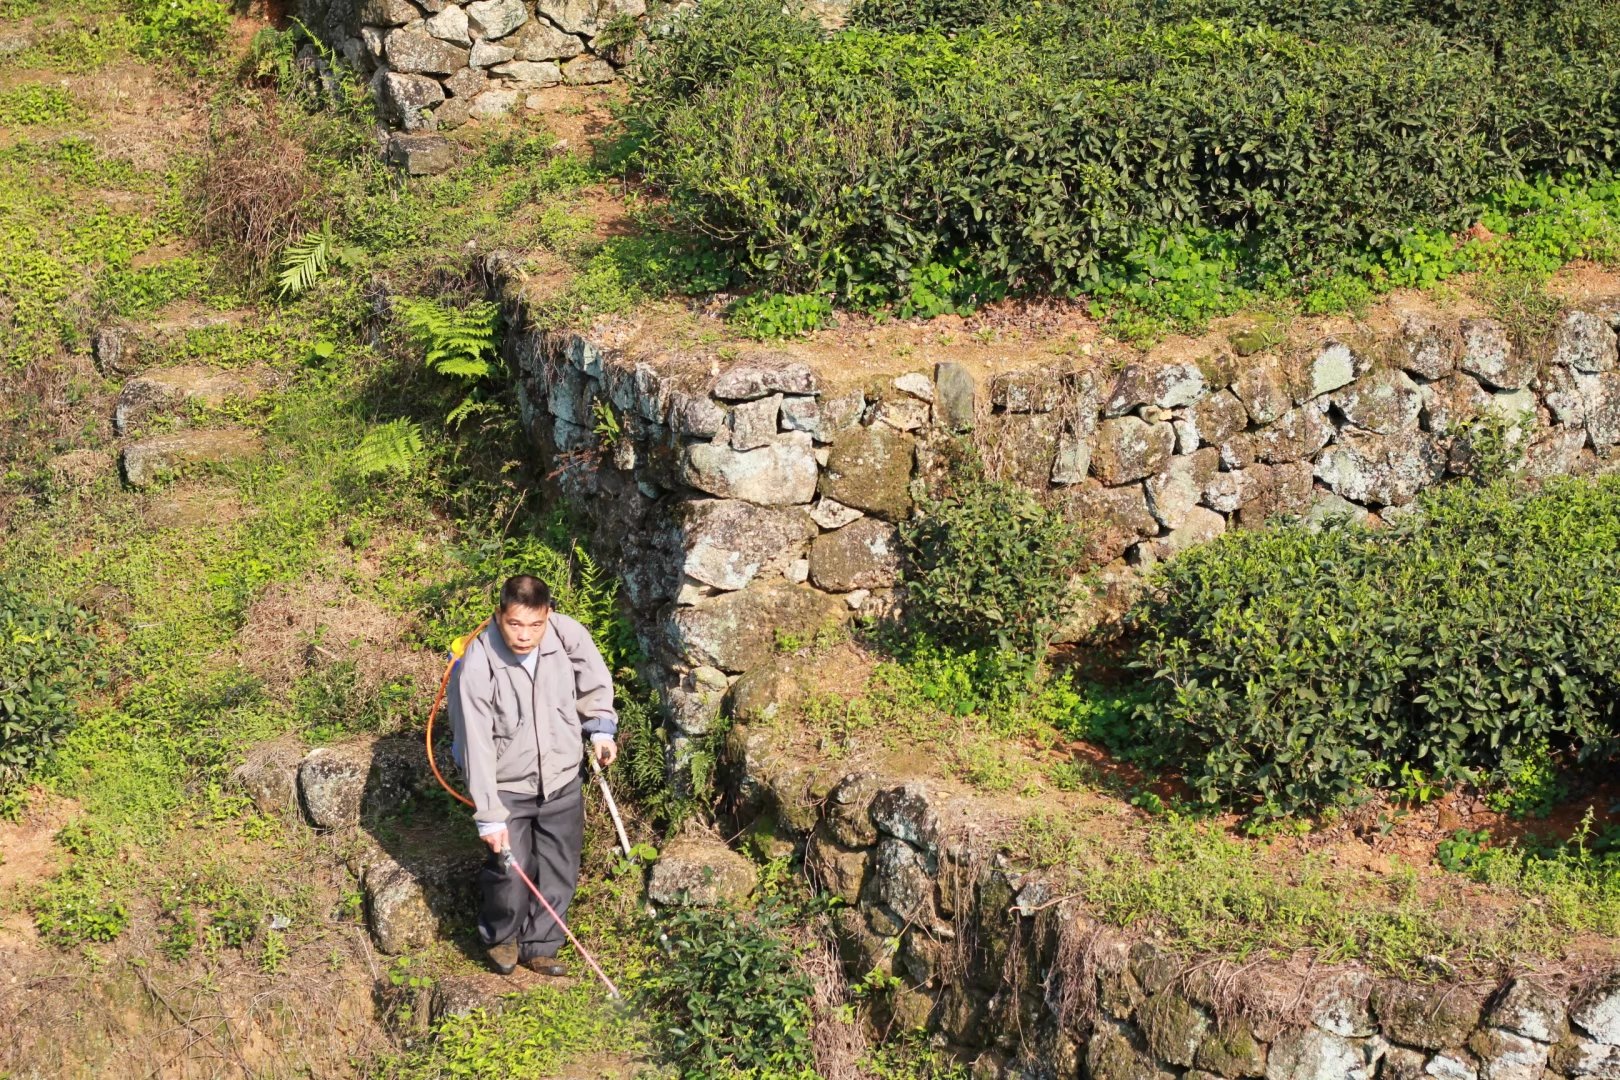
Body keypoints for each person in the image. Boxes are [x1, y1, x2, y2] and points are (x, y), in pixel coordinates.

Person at [448, 574, 619, 976]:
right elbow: (474, 741)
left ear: (549, 615)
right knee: (509, 866)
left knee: (560, 865)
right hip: (508, 785)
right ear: (499, 615)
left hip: (561, 777)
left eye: (535, 624)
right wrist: (488, 813)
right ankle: (502, 938)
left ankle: (541, 943)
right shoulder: (478, 661)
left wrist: (600, 728)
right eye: (515, 624)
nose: (525, 635)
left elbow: (593, 681)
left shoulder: (567, 635)